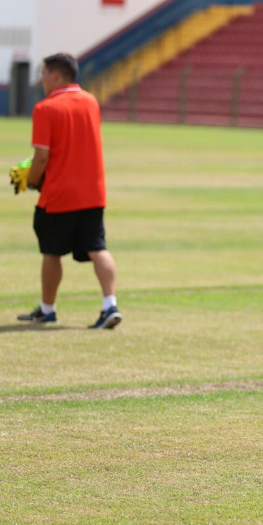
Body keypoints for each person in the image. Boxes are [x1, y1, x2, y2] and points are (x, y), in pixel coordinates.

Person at [17, 53, 122, 330]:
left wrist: (32, 180)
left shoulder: (45, 108)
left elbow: (42, 157)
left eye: (43, 74)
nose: (41, 80)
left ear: (55, 75)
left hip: (59, 194)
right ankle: (110, 305)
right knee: (98, 247)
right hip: (93, 193)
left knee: (52, 252)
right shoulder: (91, 102)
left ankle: (47, 309)